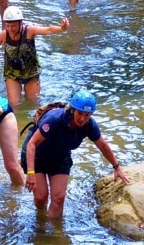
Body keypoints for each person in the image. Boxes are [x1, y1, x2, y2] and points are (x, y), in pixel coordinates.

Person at [21, 89, 130, 219]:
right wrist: (31, 173)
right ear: (72, 110)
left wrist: (116, 167)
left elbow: (103, 145)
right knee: (41, 197)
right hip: (37, 155)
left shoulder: (89, 125)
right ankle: (40, 222)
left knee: (59, 198)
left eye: (87, 115)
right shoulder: (54, 119)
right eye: (80, 113)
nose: (83, 118)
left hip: (60, 157)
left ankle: (53, 235)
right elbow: (31, 144)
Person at [0, 6, 69, 107]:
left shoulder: (29, 31)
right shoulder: (4, 35)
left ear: (20, 22)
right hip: (12, 73)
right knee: (14, 104)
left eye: (14, 26)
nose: (10, 29)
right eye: (8, 25)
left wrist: (61, 28)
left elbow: (48, 30)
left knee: (33, 103)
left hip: (31, 73)